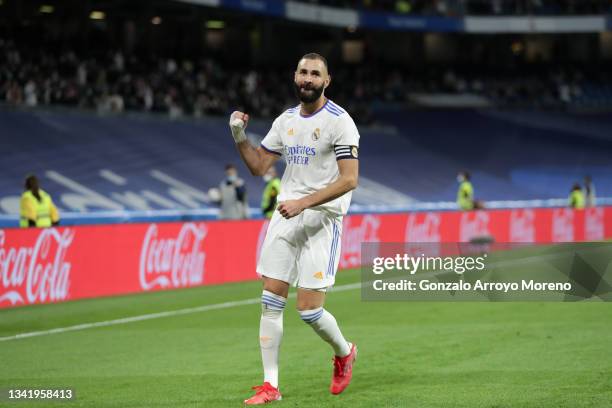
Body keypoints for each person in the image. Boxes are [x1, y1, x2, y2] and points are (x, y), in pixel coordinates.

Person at [228, 53, 360, 405]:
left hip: (321, 220)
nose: (307, 78)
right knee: (271, 298)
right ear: (295, 76)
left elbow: (350, 180)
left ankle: (345, 352)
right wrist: (239, 136)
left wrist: (305, 202)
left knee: (309, 311)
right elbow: (258, 166)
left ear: (326, 81)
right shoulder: (285, 120)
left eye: (315, 74)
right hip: (287, 216)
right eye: (303, 72)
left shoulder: (340, 122)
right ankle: (270, 385)